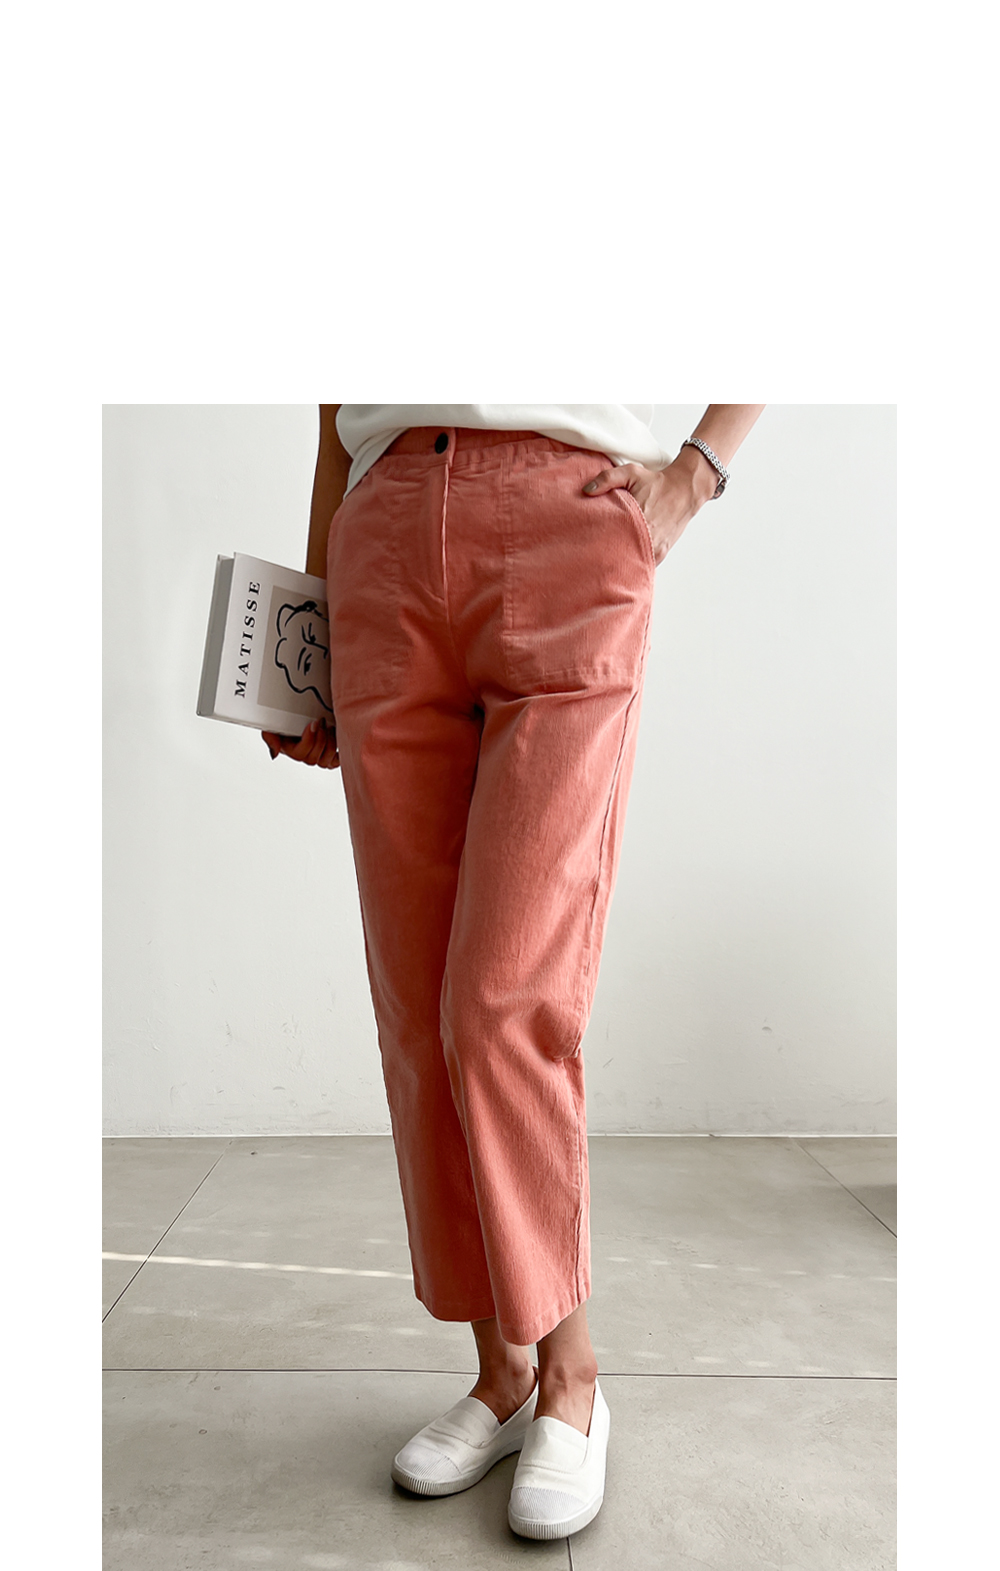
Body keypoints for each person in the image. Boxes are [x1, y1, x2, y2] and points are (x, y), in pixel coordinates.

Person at [262, 403, 765, 1541]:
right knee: (416, 1000)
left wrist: (695, 474)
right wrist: (311, 619)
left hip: (569, 524)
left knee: (499, 1004)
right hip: (384, 532)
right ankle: (501, 1373)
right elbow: (337, 405)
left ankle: (573, 1378)